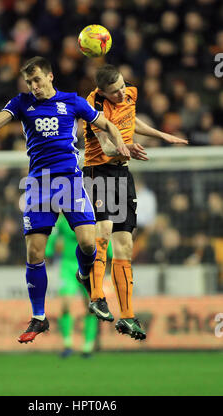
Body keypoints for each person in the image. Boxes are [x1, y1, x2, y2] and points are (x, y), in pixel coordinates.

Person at [0, 56, 131, 344]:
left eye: (37, 80)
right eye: (29, 82)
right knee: (34, 254)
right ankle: (39, 317)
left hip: (69, 181)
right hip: (39, 187)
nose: (34, 86)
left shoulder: (73, 102)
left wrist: (120, 145)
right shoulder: (21, 103)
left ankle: (83, 273)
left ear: (50, 76)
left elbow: (108, 124)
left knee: (90, 243)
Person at [79, 64, 188, 340]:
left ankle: (127, 316)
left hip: (121, 173)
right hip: (98, 171)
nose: (121, 93)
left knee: (125, 243)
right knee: (103, 230)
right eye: (114, 92)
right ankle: (95, 295)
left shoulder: (130, 94)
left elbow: (131, 121)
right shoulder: (93, 104)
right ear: (102, 91)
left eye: (122, 87)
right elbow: (104, 145)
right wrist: (125, 147)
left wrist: (160, 135)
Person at [45, 214, 100, 358]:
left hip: (88, 265)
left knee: (90, 306)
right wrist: (48, 252)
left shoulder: (92, 218)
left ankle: (87, 346)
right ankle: (67, 344)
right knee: (66, 305)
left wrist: (110, 254)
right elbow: (53, 235)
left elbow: (102, 235)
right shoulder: (64, 221)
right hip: (68, 266)